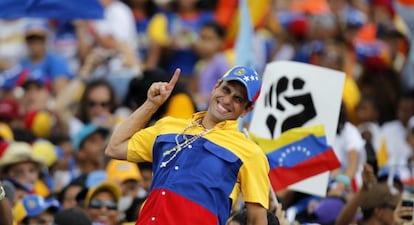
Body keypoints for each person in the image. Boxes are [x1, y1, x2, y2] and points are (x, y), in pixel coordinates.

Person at [105, 66, 270, 225]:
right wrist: (151, 104)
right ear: (216, 86)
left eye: (238, 99)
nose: (227, 100)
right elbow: (115, 147)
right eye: (226, 90)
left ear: (247, 110)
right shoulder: (169, 126)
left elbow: (257, 220)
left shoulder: (250, 153)